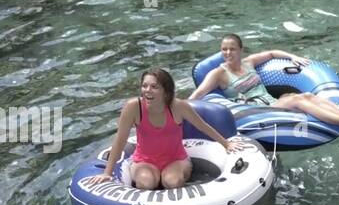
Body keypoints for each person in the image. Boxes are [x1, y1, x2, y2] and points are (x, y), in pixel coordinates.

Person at [87, 68, 245, 189]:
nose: (147, 90)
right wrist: (107, 173)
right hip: (144, 160)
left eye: (154, 87)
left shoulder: (178, 106)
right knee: (145, 182)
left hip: (176, 159)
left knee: (172, 181)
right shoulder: (134, 107)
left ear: (165, 91)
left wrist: (226, 144)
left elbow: (202, 126)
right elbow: (120, 140)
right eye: (144, 86)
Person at [188, 34, 339, 131]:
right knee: (298, 99)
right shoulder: (218, 74)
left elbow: (272, 53)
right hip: (255, 110)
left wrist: (292, 56)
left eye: (232, 49)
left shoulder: (248, 62)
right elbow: (197, 95)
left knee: (307, 95)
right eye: (224, 49)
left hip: (271, 102)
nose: (227, 53)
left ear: (240, 50)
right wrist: (178, 110)